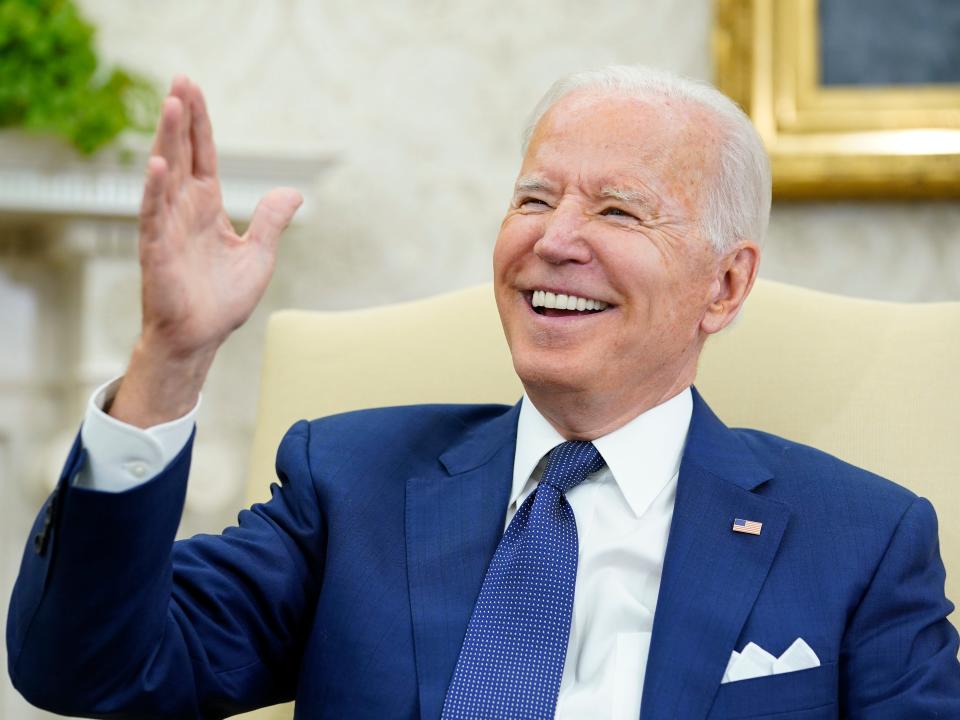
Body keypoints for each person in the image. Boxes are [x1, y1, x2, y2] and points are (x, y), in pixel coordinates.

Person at [7, 65, 960, 719]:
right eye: (535, 199)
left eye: (618, 209)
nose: (555, 239)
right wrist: (171, 357)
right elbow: (87, 669)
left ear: (725, 286)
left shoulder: (861, 540)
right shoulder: (350, 485)